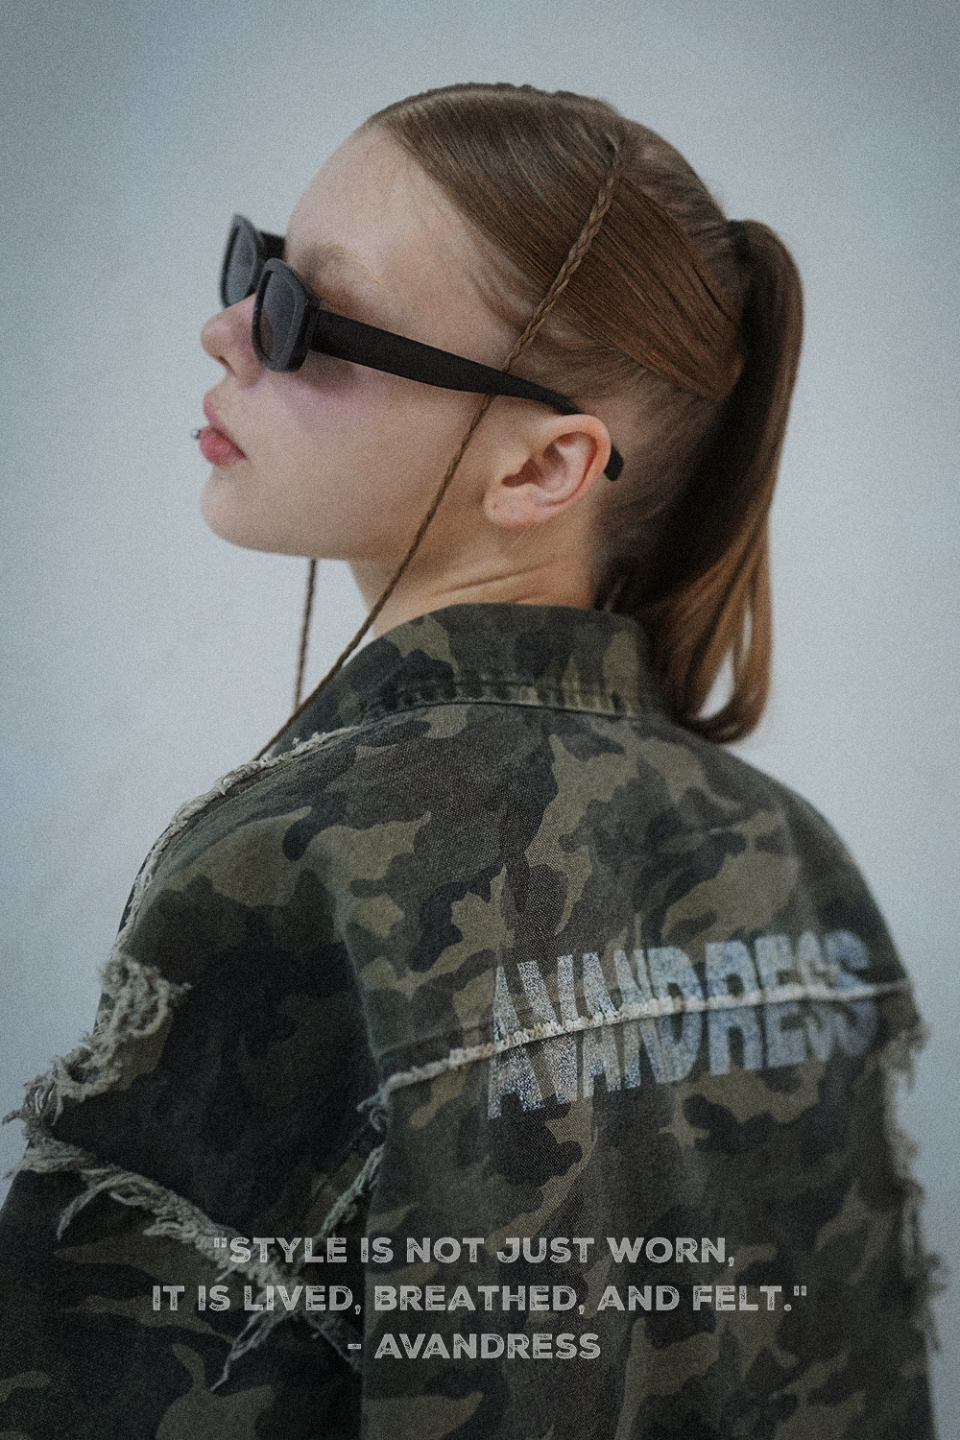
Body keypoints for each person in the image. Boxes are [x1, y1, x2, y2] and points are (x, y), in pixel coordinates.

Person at [0, 83, 935, 1438]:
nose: (226, 328)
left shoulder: (298, 864)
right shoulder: (795, 853)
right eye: (256, 264)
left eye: (304, 314)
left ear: (544, 469)